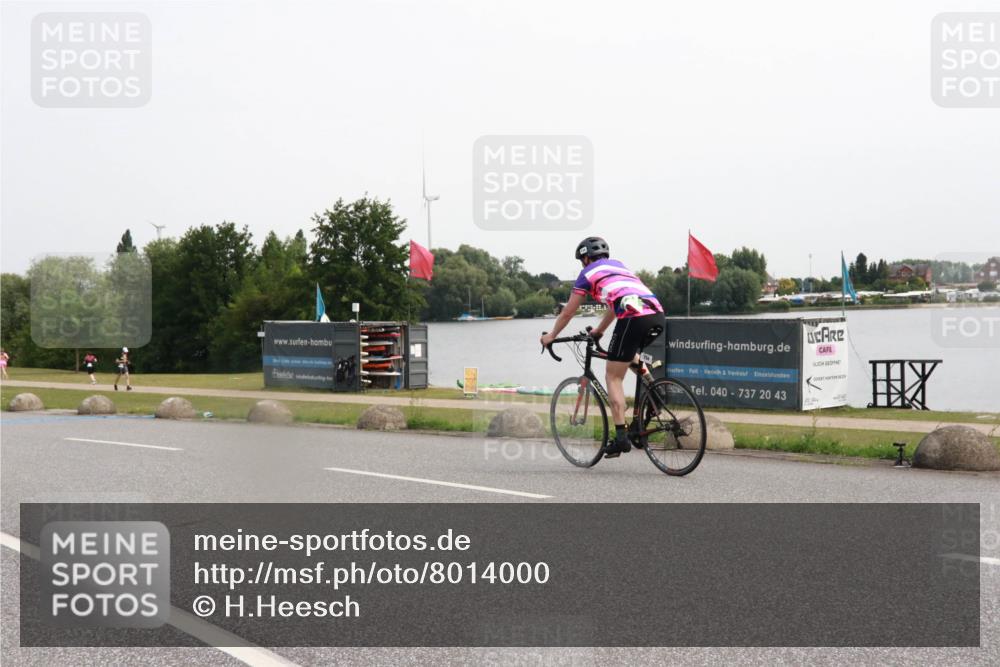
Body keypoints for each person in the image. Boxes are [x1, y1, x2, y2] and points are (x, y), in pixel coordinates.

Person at [540, 237, 665, 458]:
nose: (582, 264)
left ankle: (621, 438)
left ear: (586, 258)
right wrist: (599, 331)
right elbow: (615, 306)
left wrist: (551, 336)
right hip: (656, 315)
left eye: (582, 260)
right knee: (626, 356)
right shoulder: (619, 267)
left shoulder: (587, 274)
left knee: (613, 376)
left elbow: (568, 312)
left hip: (633, 317)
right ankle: (655, 392)